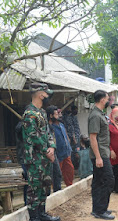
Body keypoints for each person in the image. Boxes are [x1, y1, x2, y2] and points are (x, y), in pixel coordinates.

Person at [21, 82, 60, 221]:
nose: (47, 96)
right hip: (34, 159)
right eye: (46, 93)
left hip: (45, 158)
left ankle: (42, 214)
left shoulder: (42, 112)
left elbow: (48, 133)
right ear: (39, 94)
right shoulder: (30, 114)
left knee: (44, 186)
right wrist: (47, 151)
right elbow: (33, 136)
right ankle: (34, 218)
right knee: (34, 189)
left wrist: (52, 147)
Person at [88, 90, 115, 220]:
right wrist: (98, 157)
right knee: (108, 180)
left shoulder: (100, 114)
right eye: (108, 98)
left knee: (99, 181)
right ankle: (100, 209)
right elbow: (93, 138)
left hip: (103, 152)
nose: (109, 100)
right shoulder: (95, 115)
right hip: (100, 154)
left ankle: (99, 209)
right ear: (102, 99)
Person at [48, 106, 75, 187]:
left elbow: (65, 135)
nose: (59, 115)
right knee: (57, 173)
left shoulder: (62, 125)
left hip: (66, 152)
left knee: (70, 170)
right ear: (51, 115)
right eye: (57, 114)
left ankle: (69, 186)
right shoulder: (50, 127)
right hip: (58, 153)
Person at [64, 105, 81, 170]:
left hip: (76, 136)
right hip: (72, 137)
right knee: (73, 152)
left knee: (76, 152)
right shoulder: (68, 117)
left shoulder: (74, 117)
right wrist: (73, 136)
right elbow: (71, 127)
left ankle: (75, 166)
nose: (76, 111)